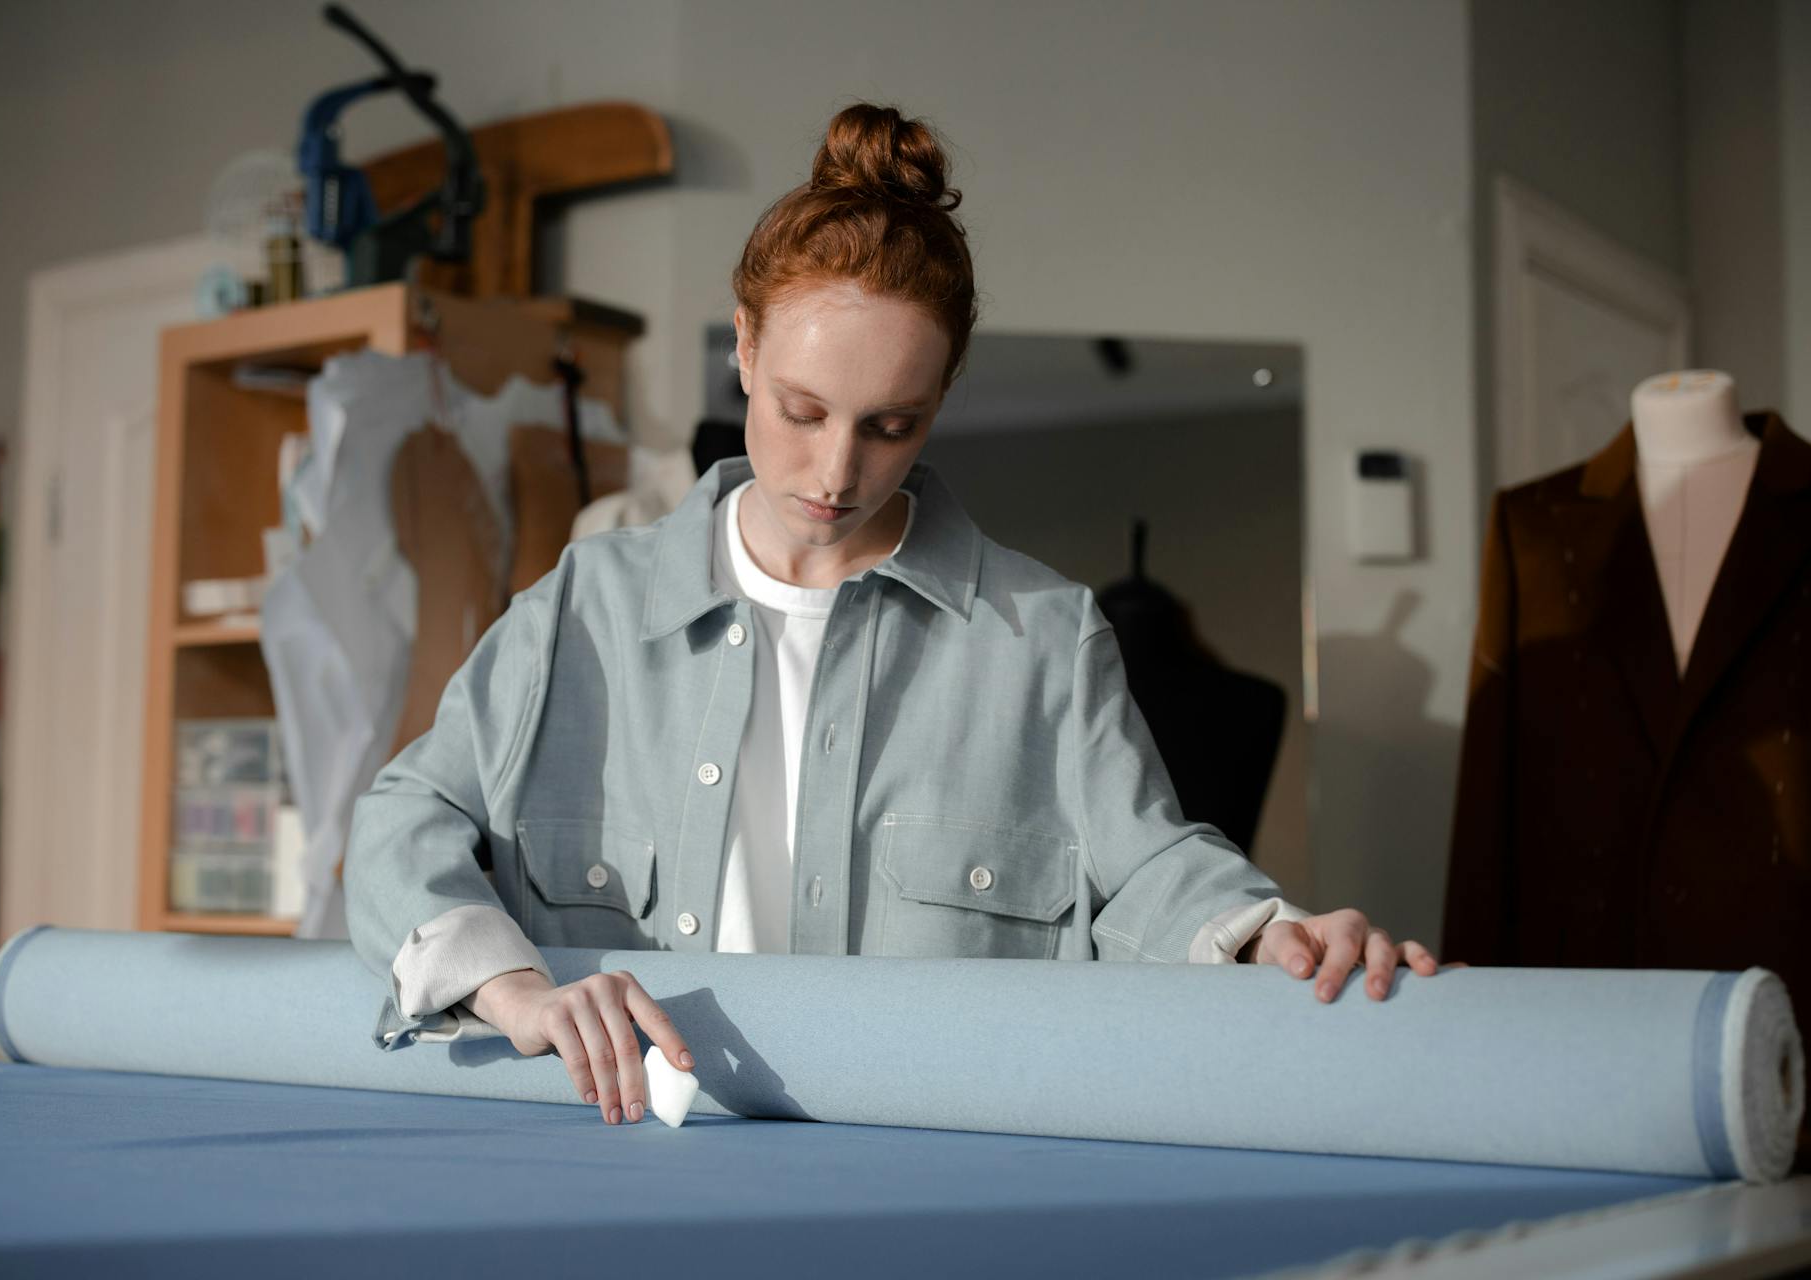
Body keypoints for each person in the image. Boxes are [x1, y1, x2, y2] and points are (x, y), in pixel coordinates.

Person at [345, 102, 1442, 1128]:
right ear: (743, 347)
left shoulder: (1042, 635)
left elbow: (1152, 869)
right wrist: (511, 985)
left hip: (938, 1186)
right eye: (801, 410)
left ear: (943, 396)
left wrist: (1272, 936)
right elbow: (403, 819)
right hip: (622, 1171)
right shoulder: (582, 606)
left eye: (891, 423)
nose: (835, 470)